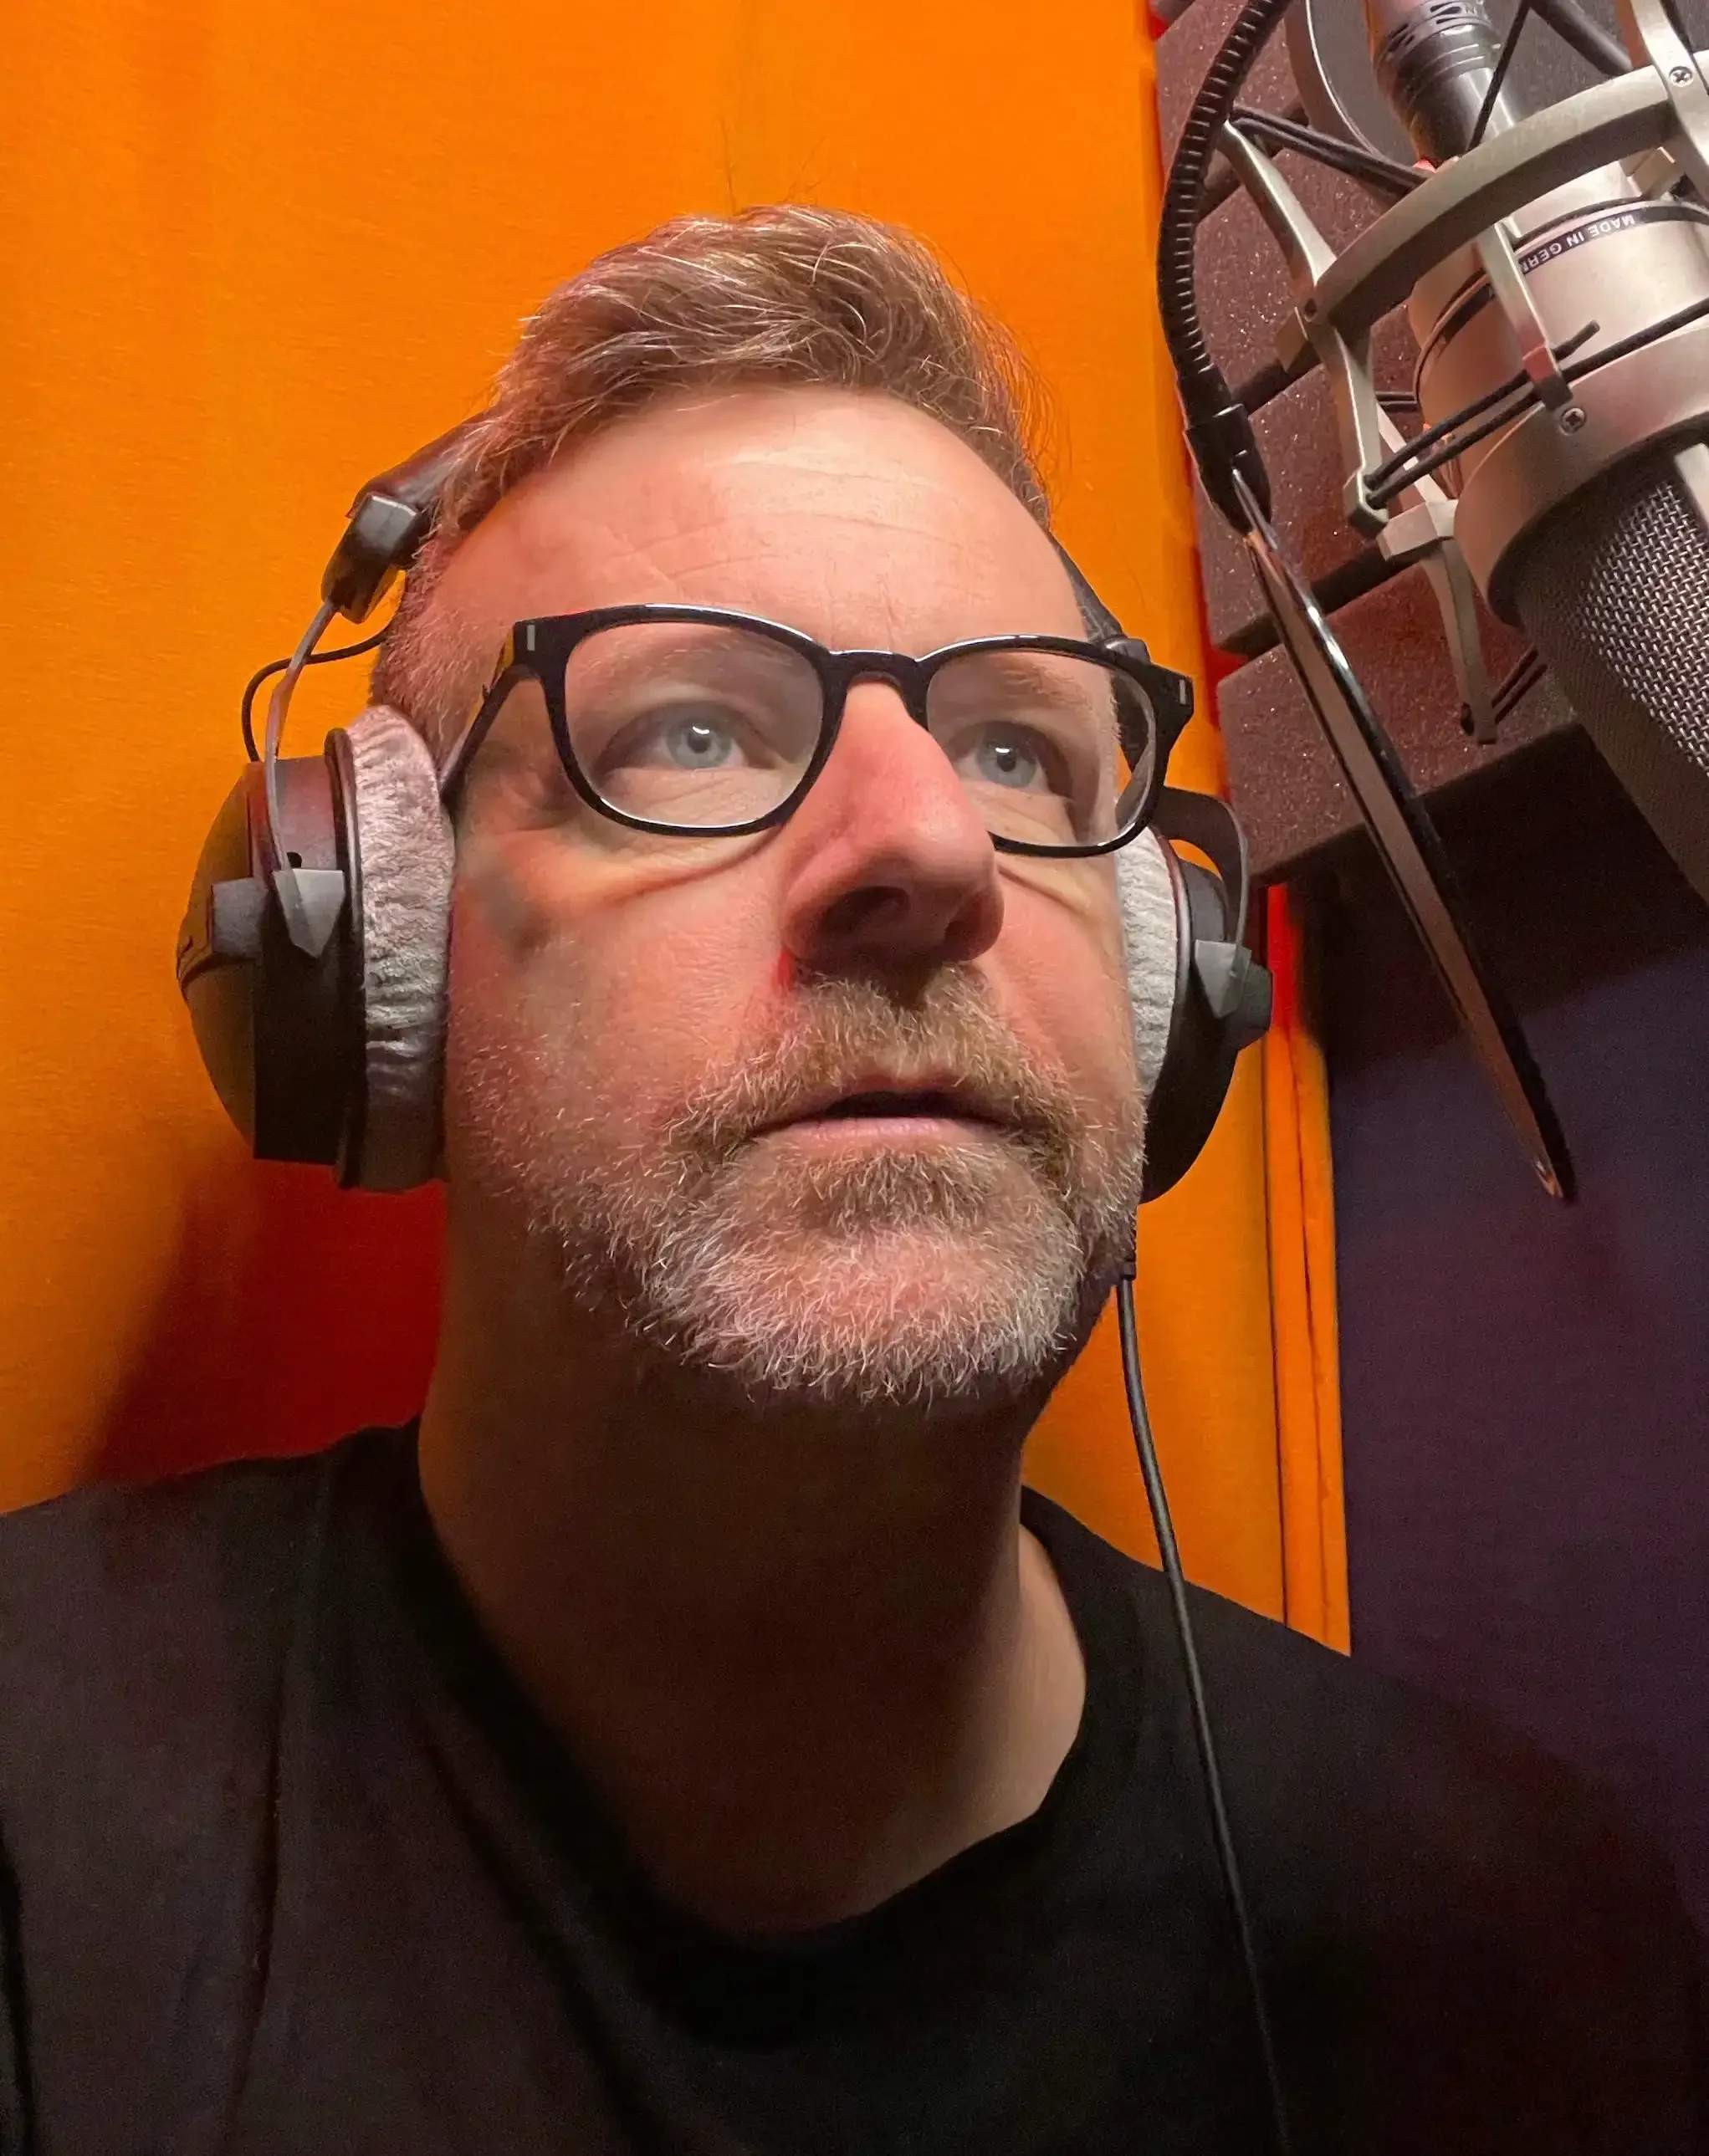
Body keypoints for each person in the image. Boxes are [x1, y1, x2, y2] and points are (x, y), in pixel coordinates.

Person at [0, 205, 1701, 2156]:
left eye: (1014, 748)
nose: (927, 848)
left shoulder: (1522, 1954)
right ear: (374, 952)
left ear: (1172, 980)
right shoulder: (41, 1841)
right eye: (691, 730)